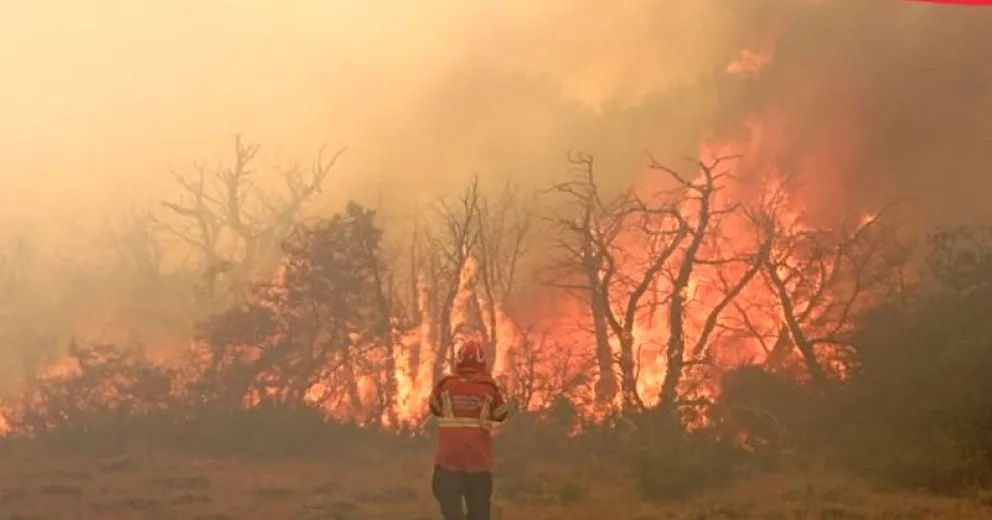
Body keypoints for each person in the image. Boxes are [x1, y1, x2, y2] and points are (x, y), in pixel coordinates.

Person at [428, 340, 509, 520]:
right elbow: (501, 414)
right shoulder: (490, 388)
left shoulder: (445, 385)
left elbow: (433, 407)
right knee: (479, 510)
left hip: (448, 462)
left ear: (458, 361)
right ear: (482, 362)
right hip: (478, 462)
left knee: (450, 507)